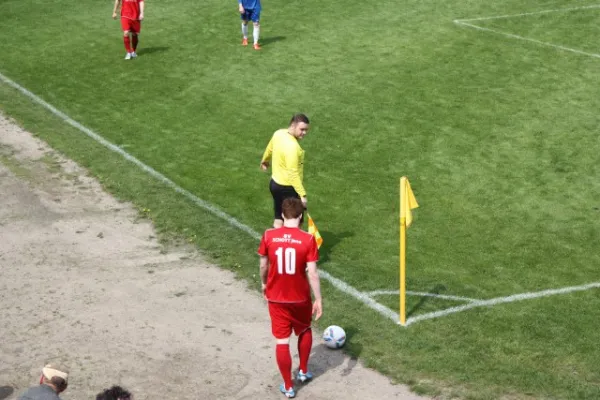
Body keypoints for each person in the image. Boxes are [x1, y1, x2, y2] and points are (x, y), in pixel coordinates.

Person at [258, 197, 322, 399]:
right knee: (304, 329)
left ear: (282, 215)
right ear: (301, 216)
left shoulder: (269, 235)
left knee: (282, 341)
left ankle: (288, 386)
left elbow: (263, 265)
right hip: (300, 298)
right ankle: (303, 370)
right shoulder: (308, 239)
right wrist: (318, 299)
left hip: (276, 297)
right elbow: (312, 273)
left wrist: (264, 283)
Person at [260, 114, 310, 229]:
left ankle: (276, 242)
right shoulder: (293, 147)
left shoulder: (278, 133)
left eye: (306, 130)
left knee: (278, 217)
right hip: (288, 188)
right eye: (302, 129)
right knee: (296, 221)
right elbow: (292, 174)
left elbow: (270, 147)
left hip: (274, 185)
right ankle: (291, 244)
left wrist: (265, 160)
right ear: (293, 125)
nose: (304, 133)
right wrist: (302, 195)